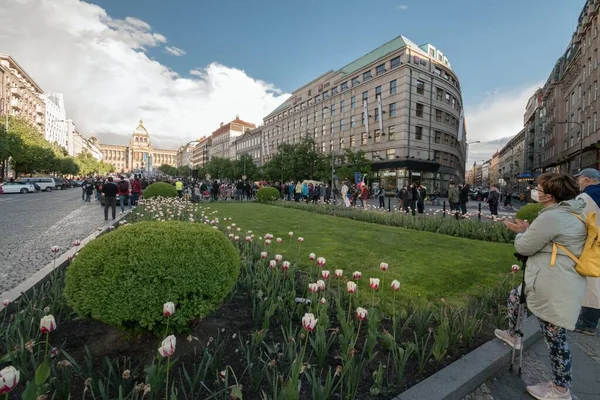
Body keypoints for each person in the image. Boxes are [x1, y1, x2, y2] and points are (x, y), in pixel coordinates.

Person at [498, 172, 587, 400]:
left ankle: (560, 389)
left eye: (538, 188)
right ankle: (514, 334)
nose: (535, 191)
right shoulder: (572, 213)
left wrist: (521, 234)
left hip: (553, 283)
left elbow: (525, 247)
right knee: (516, 297)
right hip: (554, 278)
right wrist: (529, 230)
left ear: (549, 195)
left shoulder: (553, 216)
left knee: (554, 337)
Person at [574, 168, 600, 336]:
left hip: (591, 245)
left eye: (580, 178)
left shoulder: (585, 198)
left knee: (592, 285)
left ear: (588, 180)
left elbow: (576, 221)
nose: (578, 182)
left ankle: (588, 324)